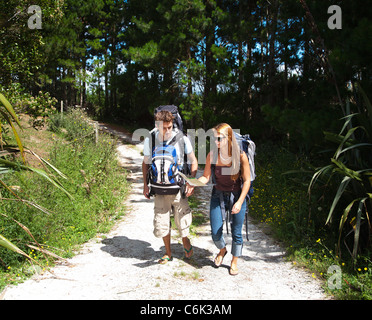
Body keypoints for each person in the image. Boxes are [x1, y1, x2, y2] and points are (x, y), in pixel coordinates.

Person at [142, 110, 198, 264]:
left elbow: (193, 161)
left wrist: (191, 182)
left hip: (178, 187)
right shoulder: (151, 138)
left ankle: (185, 241)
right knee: (161, 220)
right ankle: (168, 252)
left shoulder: (181, 138)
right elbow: (145, 162)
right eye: (163, 128)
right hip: (158, 189)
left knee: (183, 220)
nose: (167, 131)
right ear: (156, 125)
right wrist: (145, 185)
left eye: (169, 127)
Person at [197, 123, 250, 275]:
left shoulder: (240, 156)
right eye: (214, 138)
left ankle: (234, 262)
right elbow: (206, 177)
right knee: (215, 232)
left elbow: (247, 181)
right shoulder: (212, 155)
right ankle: (222, 250)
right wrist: (193, 183)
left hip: (237, 196)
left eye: (219, 138)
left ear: (229, 138)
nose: (216, 142)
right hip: (217, 195)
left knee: (236, 232)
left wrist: (240, 202)